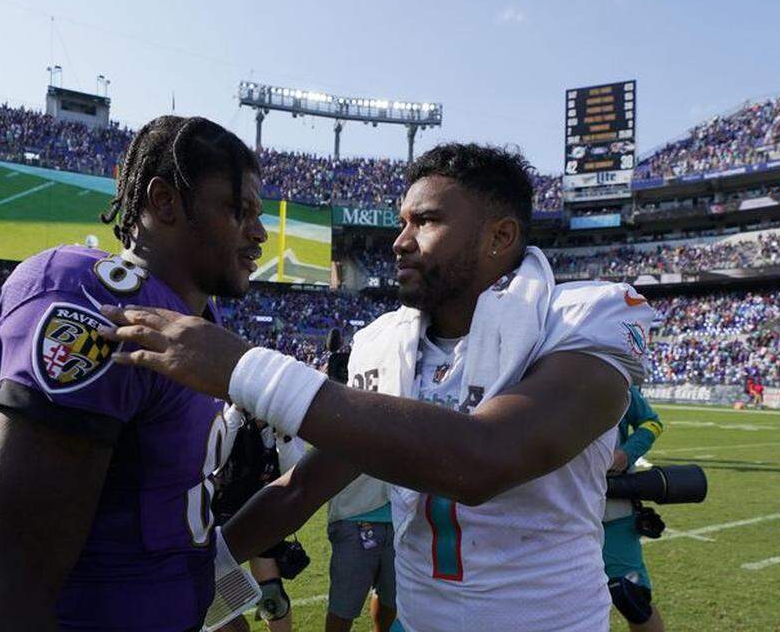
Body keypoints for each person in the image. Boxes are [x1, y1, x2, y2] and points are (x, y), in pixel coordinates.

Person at [104, 143, 656, 632]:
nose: (400, 242)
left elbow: (484, 459)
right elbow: (303, 487)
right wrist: (210, 567)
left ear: (500, 236)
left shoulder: (582, 319)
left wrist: (244, 369)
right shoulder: (382, 343)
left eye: (426, 221)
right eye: (402, 222)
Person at [0, 115, 266, 632]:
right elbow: (10, 585)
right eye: (239, 211)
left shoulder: (198, 324)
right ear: (166, 202)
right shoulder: (96, 302)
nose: (259, 233)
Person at [321, 329, 398, 632]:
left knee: (392, 600)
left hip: (399, 516)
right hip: (355, 516)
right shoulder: (338, 404)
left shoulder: (400, 393)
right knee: (343, 607)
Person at [212, 410, 306, 632]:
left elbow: (294, 473)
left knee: (271, 595)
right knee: (224, 606)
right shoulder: (229, 415)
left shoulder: (283, 421)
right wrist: (236, 410)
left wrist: (283, 438)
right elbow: (217, 461)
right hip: (221, 513)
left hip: (262, 513)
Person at [603, 387, 666, 632]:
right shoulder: (541, 375)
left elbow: (652, 423)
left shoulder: (617, 382)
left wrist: (626, 454)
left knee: (631, 599)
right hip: (559, 512)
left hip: (614, 510)